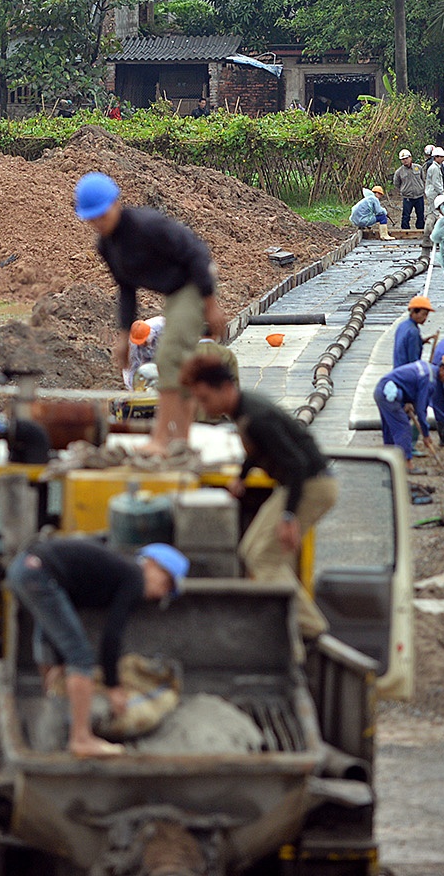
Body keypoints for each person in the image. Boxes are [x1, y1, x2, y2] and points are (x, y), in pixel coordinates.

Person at [182, 354, 339, 641]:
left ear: (225, 388)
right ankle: (293, 624)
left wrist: (289, 517)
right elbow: (255, 451)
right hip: (300, 483)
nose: (202, 406)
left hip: (311, 485)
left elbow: (297, 465)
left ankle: (310, 627)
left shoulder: (256, 417)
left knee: (263, 558)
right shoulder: (242, 411)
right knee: (250, 550)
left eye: (204, 398)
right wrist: (241, 478)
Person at [77, 172, 226, 456]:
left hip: (195, 283)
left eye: (102, 214)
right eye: (92, 218)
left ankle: (161, 437)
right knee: (178, 366)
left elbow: (196, 254)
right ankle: (181, 439)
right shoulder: (107, 246)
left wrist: (211, 304)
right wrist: (123, 339)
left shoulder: (147, 226)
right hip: (174, 293)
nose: (98, 223)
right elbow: (126, 290)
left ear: (116, 203)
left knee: (168, 356)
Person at [6, 537, 188, 758]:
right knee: (81, 659)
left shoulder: (114, 571)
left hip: (24, 568)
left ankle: (54, 698)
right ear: (150, 563)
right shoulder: (134, 577)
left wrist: (60, 663)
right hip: (40, 573)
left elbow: (60, 617)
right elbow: (112, 636)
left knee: (51, 633)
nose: (162, 592)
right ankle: (81, 739)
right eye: (166, 582)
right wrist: (113, 687)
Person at [374, 352, 444, 467]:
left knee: (390, 428)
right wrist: (425, 433)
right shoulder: (429, 380)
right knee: (403, 428)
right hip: (389, 394)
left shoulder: (427, 367)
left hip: (382, 389)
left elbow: (408, 383)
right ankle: (407, 464)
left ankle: (387, 463)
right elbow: (421, 409)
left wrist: (407, 401)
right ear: (443, 369)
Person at [122, 315, 163, 389]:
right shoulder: (133, 345)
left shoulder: (161, 325)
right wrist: (132, 390)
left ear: (149, 333)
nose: (141, 344)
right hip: (148, 359)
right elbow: (131, 369)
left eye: (143, 341)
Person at [394, 295, 433, 369]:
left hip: (398, 370)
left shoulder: (402, 325)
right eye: (424, 314)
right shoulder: (413, 331)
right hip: (407, 373)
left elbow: (405, 344)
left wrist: (420, 341)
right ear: (414, 312)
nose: (425, 318)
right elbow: (414, 361)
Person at [393, 150, 426, 230]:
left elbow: (423, 178)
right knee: (406, 215)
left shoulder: (418, 168)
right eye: (403, 159)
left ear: (410, 158)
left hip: (419, 196)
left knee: (420, 215)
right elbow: (396, 183)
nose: (405, 160)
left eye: (406, 158)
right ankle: (405, 231)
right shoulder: (399, 172)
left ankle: (420, 230)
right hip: (407, 197)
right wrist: (404, 190)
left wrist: (421, 188)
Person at [423, 147, 444, 236]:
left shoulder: (436, 167)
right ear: (436, 157)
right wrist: (442, 193)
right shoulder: (434, 168)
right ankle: (434, 232)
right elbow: (436, 183)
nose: (442, 159)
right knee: (435, 212)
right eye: (440, 157)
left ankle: (431, 231)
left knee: (432, 211)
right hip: (433, 193)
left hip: (433, 192)